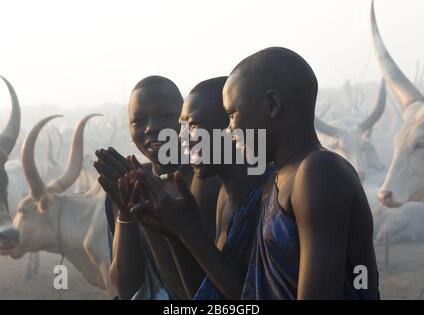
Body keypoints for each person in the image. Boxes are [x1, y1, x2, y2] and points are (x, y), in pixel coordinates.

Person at [221, 47, 380, 299]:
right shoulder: (277, 177)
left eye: (232, 115)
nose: (229, 130)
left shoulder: (318, 172)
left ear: (272, 104)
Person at [124, 77, 273, 299]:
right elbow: (204, 295)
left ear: (231, 127)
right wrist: (172, 234)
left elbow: (247, 299)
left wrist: (187, 231)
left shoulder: (271, 195)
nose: (181, 137)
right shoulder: (228, 195)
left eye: (192, 126)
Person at [93, 75, 221, 299]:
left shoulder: (209, 181)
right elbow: (126, 289)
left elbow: (198, 290)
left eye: (166, 116)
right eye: (138, 121)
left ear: (187, 122)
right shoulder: (126, 186)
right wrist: (126, 211)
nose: (151, 128)